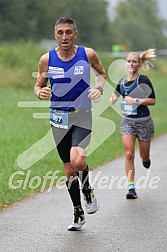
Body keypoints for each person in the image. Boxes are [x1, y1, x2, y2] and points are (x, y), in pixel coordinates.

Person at [34, 17, 106, 230]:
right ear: (55, 35)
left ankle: (88, 189)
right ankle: (77, 211)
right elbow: (38, 85)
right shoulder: (46, 60)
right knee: (68, 171)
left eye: (68, 32)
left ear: (75, 34)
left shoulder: (88, 54)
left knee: (77, 159)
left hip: (82, 114)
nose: (64, 37)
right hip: (58, 118)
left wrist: (99, 89)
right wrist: (41, 92)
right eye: (60, 33)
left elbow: (101, 73)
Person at [109, 49, 156, 199]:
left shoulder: (144, 81)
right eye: (128, 61)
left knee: (144, 155)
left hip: (144, 123)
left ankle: (146, 159)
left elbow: (153, 101)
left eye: (134, 61)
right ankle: (131, 187)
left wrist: (135, 101)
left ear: (138, 64)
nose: (131, 64)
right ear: (125, 63)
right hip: (127, 122)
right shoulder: (122, 81)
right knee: (129, 154)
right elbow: (116, 93)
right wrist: (112, 99)